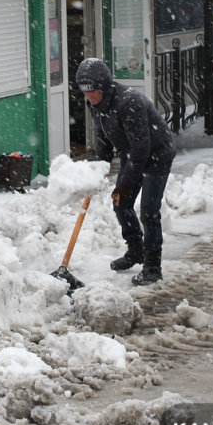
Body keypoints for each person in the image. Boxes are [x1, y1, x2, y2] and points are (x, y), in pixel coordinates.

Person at [75, 58, 176, 285]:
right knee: (120, 204)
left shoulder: (129, 102)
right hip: (132, 154)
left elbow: (142, 147)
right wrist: (99, 168)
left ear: (103, 85)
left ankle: (152, 266)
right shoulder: (95, 105)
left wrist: (126, 183)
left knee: (149, 210)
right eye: (85, 92)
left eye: (93, 91)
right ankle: (136, 250)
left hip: (157, 155)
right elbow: (103, 139)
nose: (89, 96)